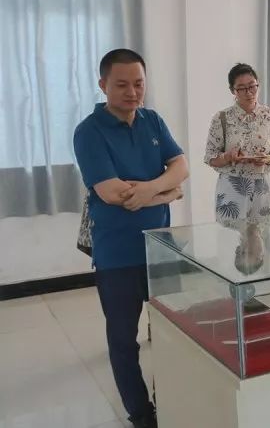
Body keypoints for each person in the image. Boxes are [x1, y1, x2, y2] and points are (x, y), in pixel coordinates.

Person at [73, 48, 189, 428]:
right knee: (124, 340)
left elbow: (181, 166)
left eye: (139, 83)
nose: (132, 92)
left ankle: (172, 400)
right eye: (122, 85)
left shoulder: (152, 121)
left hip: (161, 248)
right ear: (103, 84)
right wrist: (168, 192)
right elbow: (111, 193)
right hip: (118, 255)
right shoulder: (89, 132)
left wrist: (152, 189)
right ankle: (141, 414)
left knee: (173, 332)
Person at [204, 63, 270, 224]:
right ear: (232, 91)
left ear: (258, 85)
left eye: (252, 86)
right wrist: (228, 157)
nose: (249, 92)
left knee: (264, 236)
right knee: (231, 236)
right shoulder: (221, 118)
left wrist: (269, 158)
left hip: (264, 187)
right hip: (232, 187)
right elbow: (210, 157)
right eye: (241, 88)